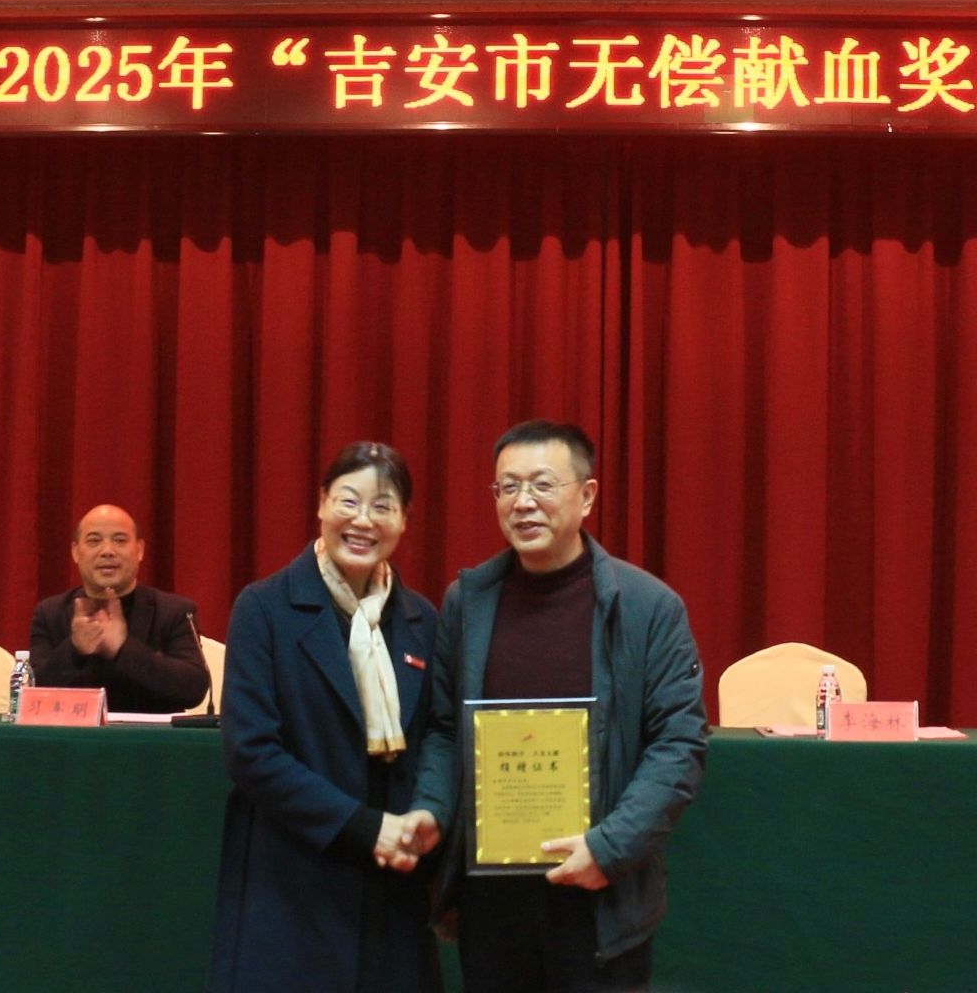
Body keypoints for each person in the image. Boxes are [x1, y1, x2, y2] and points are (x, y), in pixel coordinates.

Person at [401, 420, 709, 993]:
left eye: (543, 484)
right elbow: (444, 730)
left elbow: (679, 745)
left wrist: (609, 849)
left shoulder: (648, 607)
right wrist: (430, 808)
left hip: (599, 897)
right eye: (508, 487)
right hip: (491, 901)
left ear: (587, 496)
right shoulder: (468, 602)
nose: (523, 503)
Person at [208, 443, 442, 993]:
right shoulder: (264, 608)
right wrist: (364, 828)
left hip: (394, 887)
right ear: (321, 504)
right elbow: (251, 752)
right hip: (293, 878)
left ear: (404, 520)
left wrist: (427, 813)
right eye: (349, 501)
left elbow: (439, 734)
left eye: (383, 506)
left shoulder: (422, 620)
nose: (363, 520)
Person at [28, 504, 210, 714]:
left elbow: (193, 689)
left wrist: (124, 648)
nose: (107, 551)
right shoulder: (50, 613)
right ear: (76, 552)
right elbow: (32, 692)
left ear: (139, 550)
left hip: (148, 735)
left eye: (120, 540)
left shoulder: (174, 612)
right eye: (94, 541)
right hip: (74, 734)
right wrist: (74, 649)